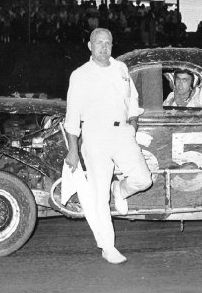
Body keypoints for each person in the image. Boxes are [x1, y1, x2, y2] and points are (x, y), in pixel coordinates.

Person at [64, 28, 152, 264]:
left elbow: (131, 98)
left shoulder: (121, 69)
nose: (104, 47)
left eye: (108, 43)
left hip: (122, 132)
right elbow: (72, 116)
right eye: (99, 43)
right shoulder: (80, 75)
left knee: (144, 179)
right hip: (95, 135)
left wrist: (133, 122)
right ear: (90, 46)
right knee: (98, 196)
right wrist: (73, 150)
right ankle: (107, 246)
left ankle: (120, 190)